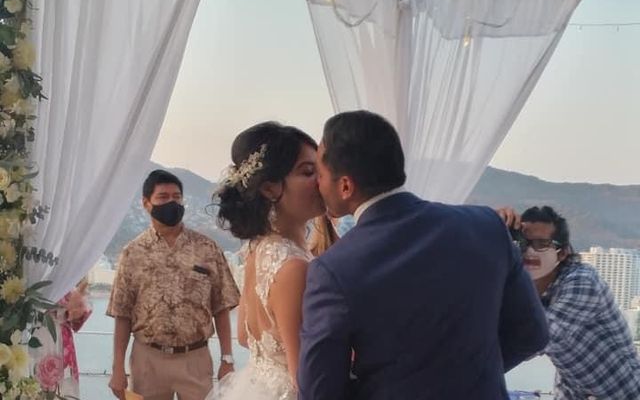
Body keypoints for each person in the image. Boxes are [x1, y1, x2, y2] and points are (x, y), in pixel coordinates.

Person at [299, 110, 549, 400]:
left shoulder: (333, 270)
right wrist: (470, 373)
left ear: (345, 186)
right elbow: (532, 334)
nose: (317, 183)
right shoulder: (486, 226)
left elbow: (319, 392)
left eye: (319, 173)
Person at [207, 122, 326, 400]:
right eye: (308, 172)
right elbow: (303, 376)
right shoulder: (294, 267)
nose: (321, 180)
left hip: (257, 385)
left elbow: (245, 337)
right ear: (270, 188)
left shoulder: (256, 249)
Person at [107, 169, 240, 400]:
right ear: (146, 203)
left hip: (195, 359)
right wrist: (118, 368)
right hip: (147, 360)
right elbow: (122, 313)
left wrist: (227, 358)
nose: (172, 202)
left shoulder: (207, 248)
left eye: (176, 197)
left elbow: (221, 306)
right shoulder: (132, 253)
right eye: (163, 197)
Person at [498, 205, 640, 399]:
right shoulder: (523, 285)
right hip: (573, 389)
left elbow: (539, 338)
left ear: (562, 252)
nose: (530, 252)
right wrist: (493, 224)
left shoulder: (581, 281)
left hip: (620, 393)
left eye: (542, 244)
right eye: (523, 243)